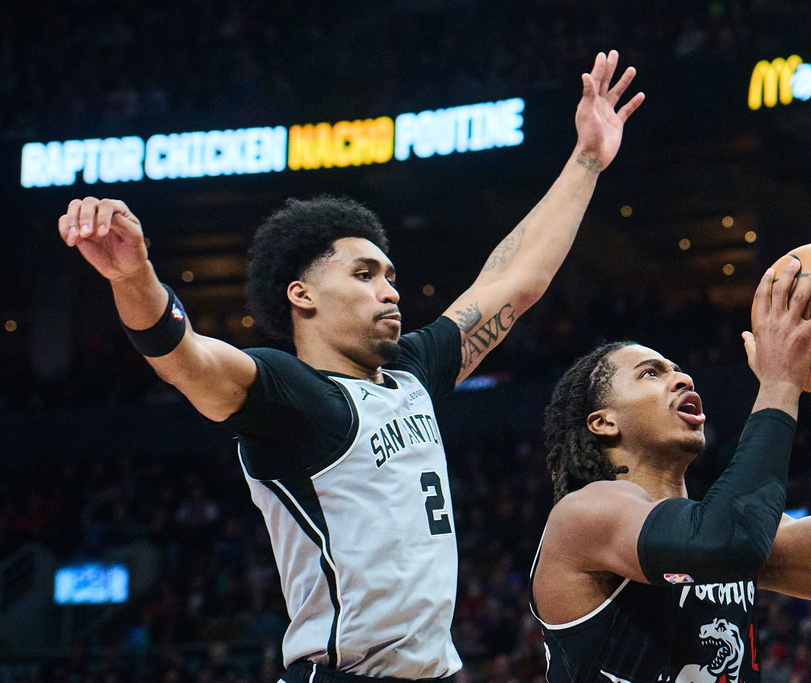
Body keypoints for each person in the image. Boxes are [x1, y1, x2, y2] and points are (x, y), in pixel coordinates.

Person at [57, 51, 644, 683]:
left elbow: (517, 278)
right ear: (302, 295)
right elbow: (182, 355)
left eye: (390, 276)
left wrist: (586, 158)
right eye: (363, 275)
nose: (390, 290)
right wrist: (135, 275)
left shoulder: (415, 369)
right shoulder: (291, 396)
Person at [530, 259, 811, 683]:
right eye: (651, 374)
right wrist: (780, 383)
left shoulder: (717, 530)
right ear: (604, 422)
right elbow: (727, 543)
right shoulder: (583, 516)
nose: (682, 379)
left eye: (678, 369)